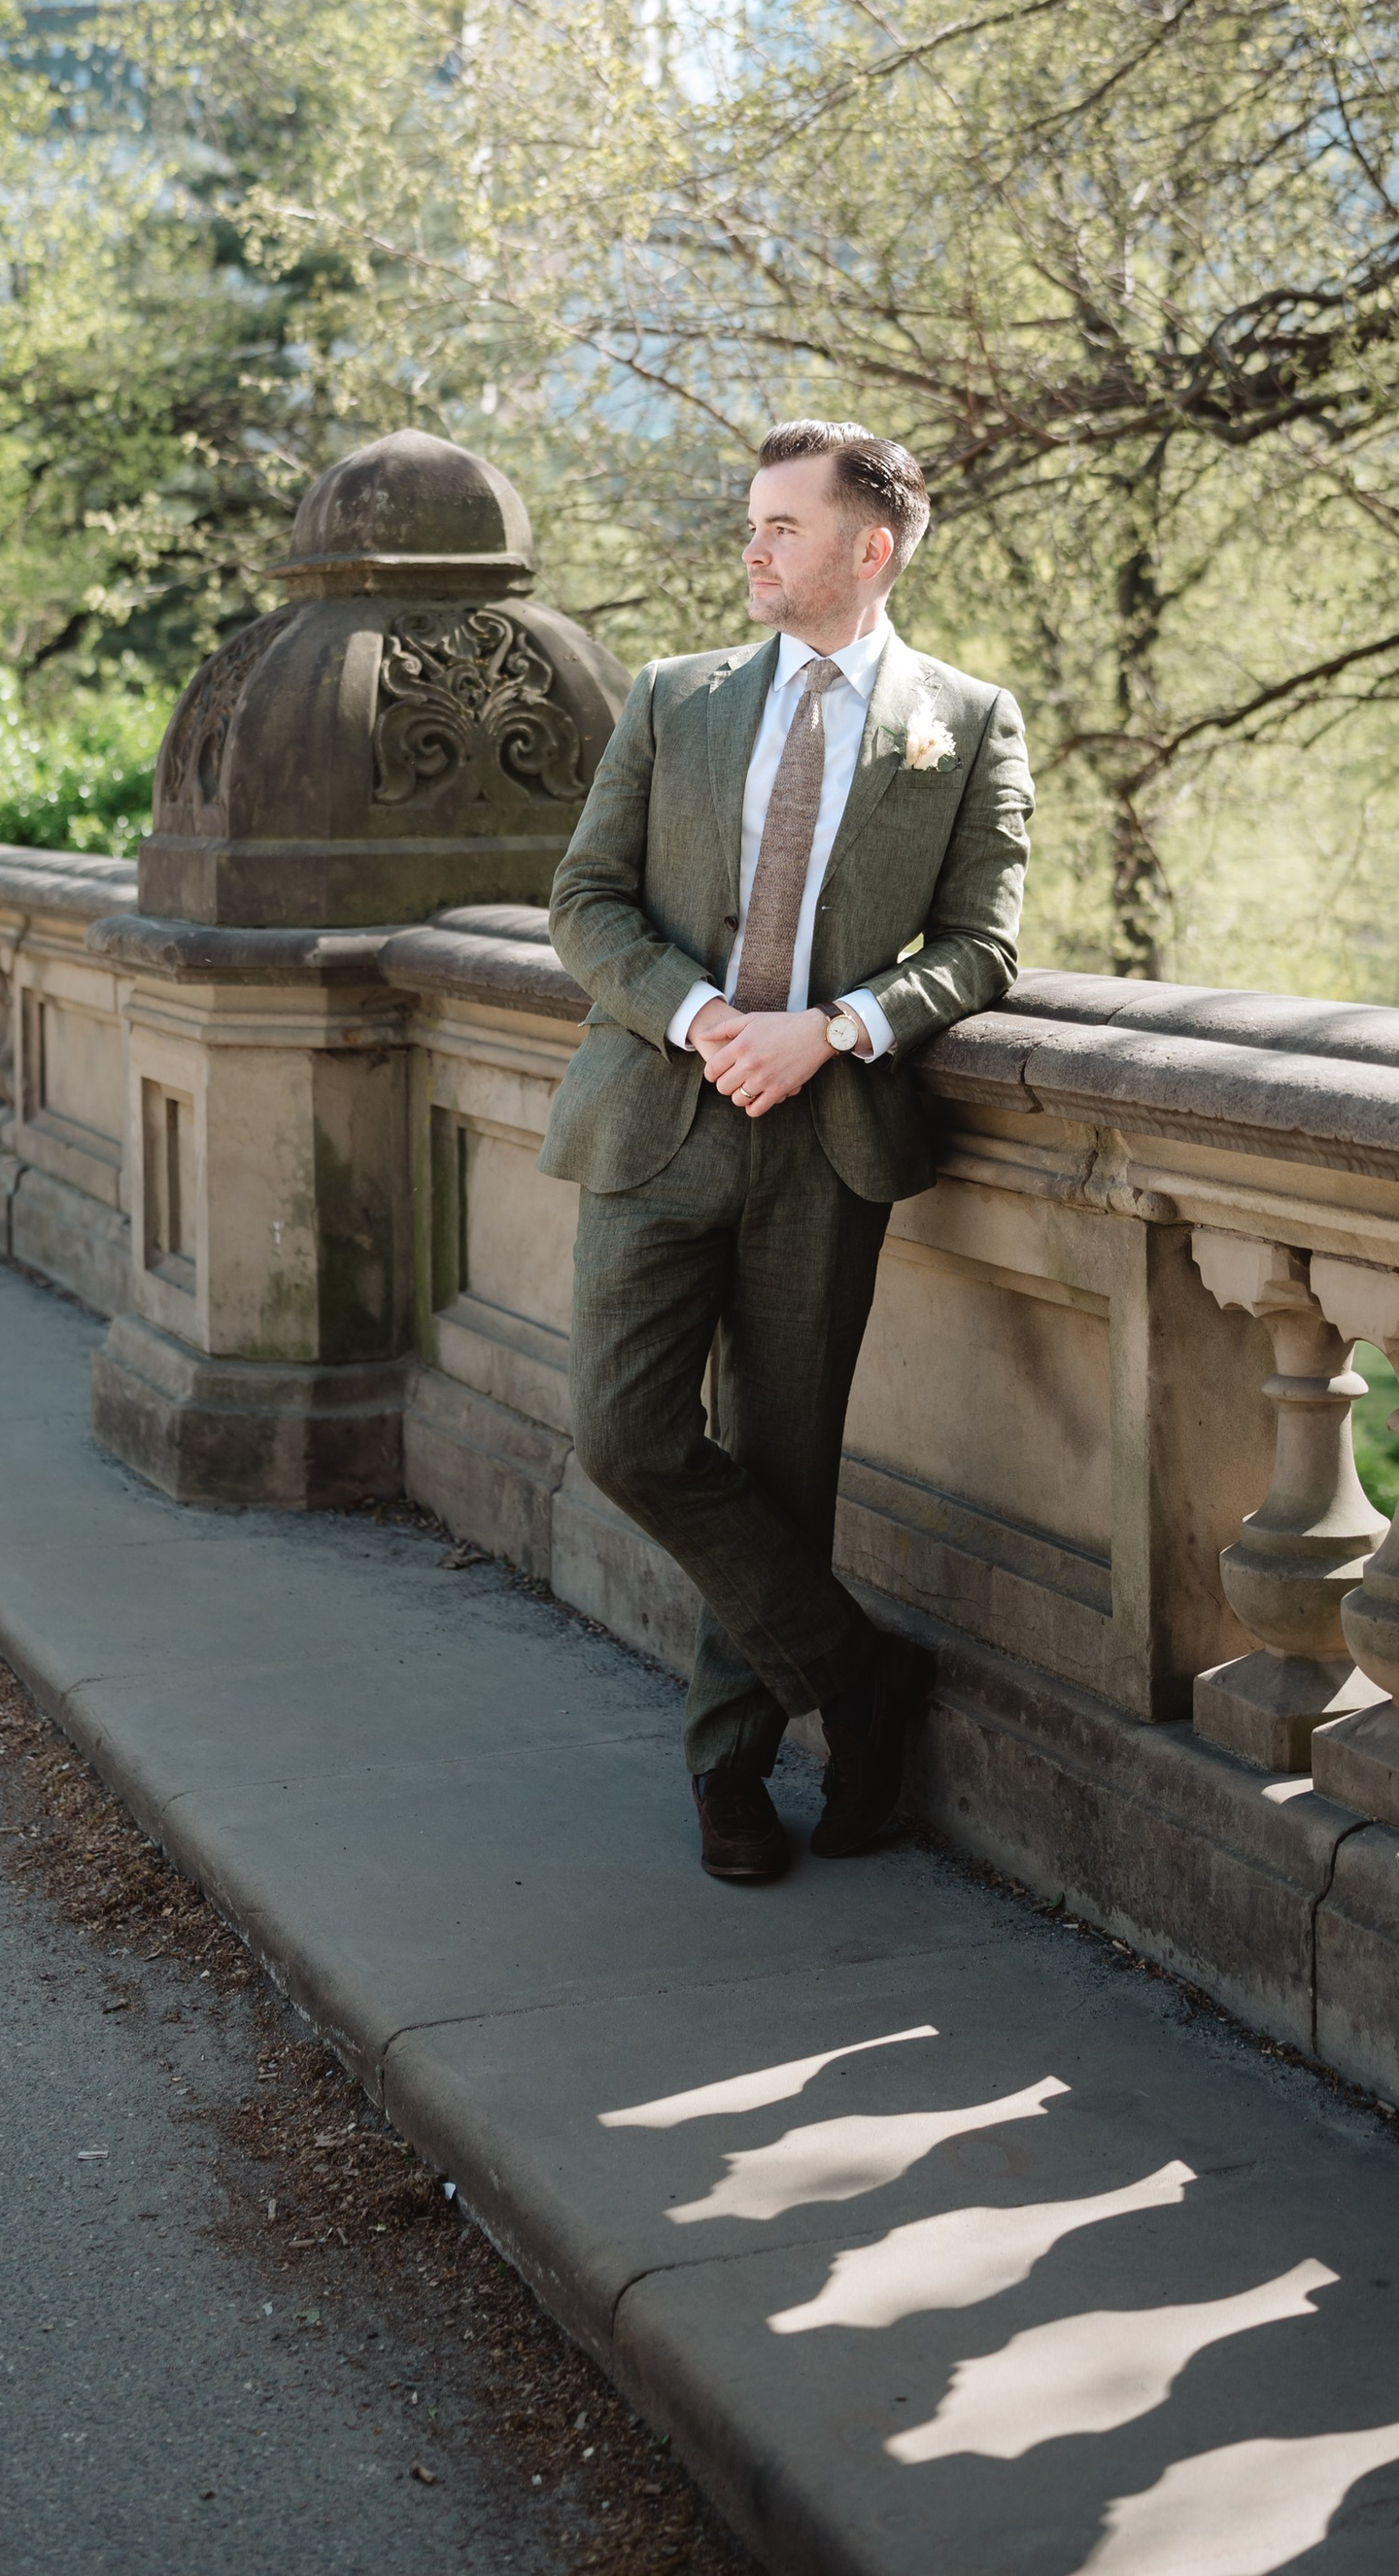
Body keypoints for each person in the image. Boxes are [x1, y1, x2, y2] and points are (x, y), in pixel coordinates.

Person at [540, 421, 1034, 1884]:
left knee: (788, 1460)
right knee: (624, 1435)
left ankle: (732, 1771)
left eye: (780, 527)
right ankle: (860, 1678)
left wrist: (841, 1028)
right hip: (656, 1117)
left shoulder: (968, 721)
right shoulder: (674, 699)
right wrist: (702, 1018)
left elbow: (985, 943)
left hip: (828, 1140)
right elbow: (584, 900)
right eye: (751, 524)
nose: (751, 548)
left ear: (868, 551)